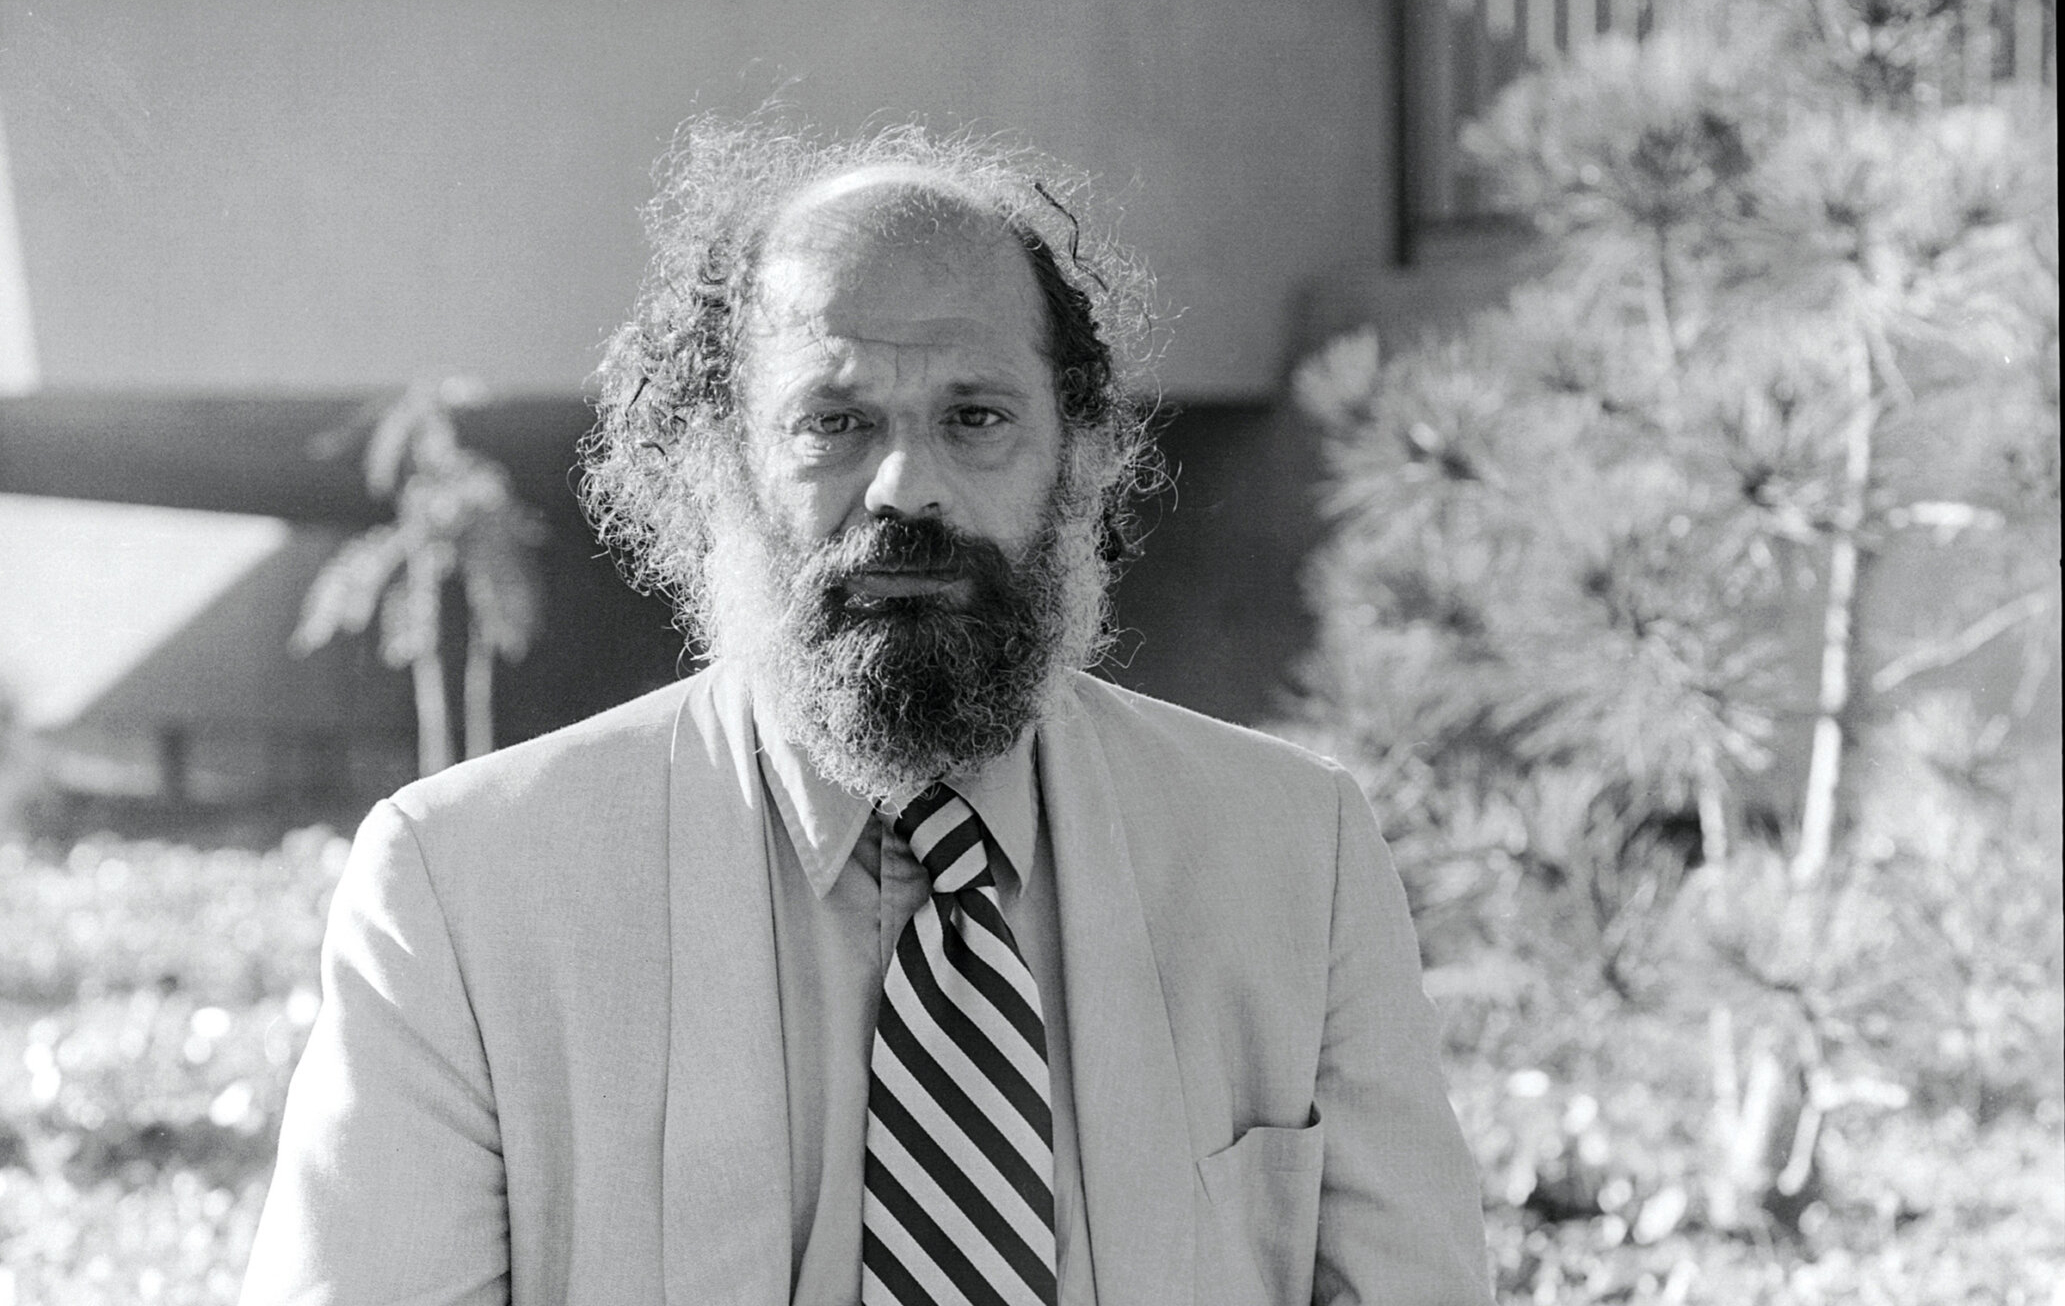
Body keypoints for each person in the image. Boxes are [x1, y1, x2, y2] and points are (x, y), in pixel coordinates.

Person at [242, 117, 1490, 1306]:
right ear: (714, 463)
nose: (907, 486)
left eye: (976, 417)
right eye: (834, 423)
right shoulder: (465, 892)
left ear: (1085, 457)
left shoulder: (1297, 856)